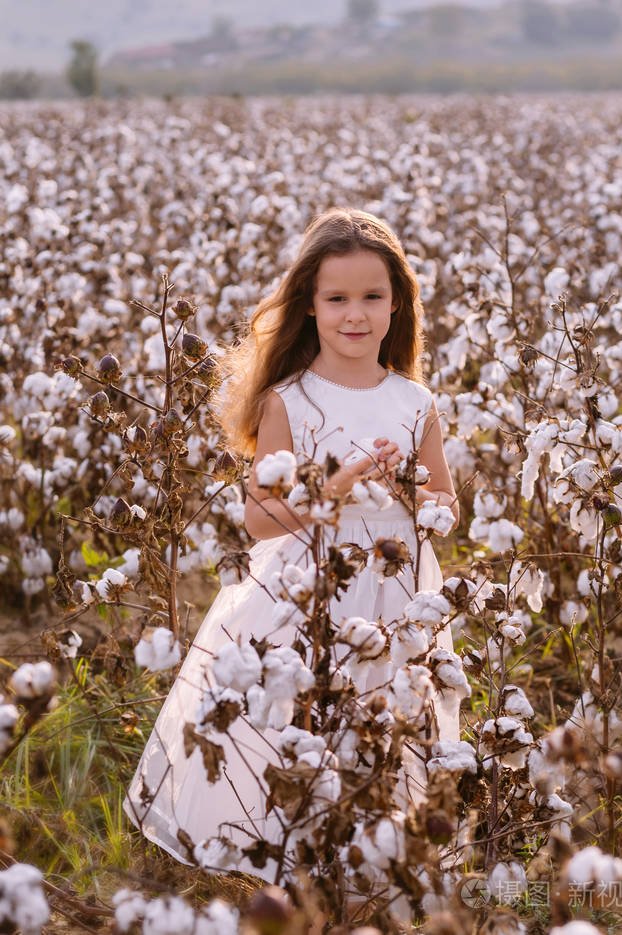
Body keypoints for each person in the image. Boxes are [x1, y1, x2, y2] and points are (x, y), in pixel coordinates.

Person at [123, 207, 461, 885]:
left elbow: (447, 505)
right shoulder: (291, 400)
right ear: (309, 305)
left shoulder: (416, 400)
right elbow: (259, 517)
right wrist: (332, 488)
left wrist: (411, 491)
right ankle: (291, 857)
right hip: (309, 589)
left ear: (398, 304)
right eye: (337, 299)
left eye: (372, 297)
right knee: (296, 716)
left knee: (385, 715)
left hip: (398, 594)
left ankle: (371, 856)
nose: (355, 314)